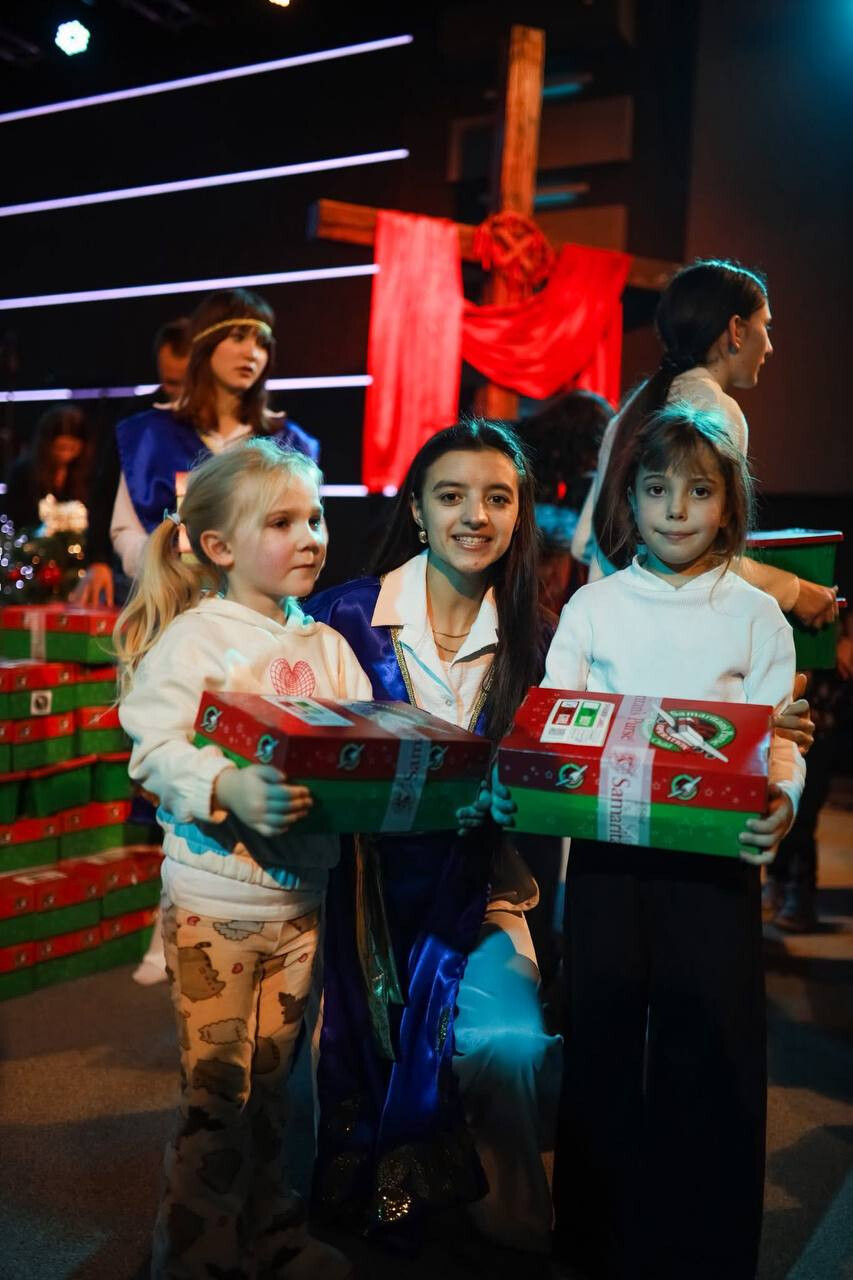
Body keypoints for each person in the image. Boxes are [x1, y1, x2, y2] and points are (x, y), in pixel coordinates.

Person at [495, 404, 805, 1279]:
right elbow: (558, 720)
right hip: (607, 858)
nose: (675, 509)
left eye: (698, 492)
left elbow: (779, 740)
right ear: (627, 497)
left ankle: (703, 1248)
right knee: (599, 1034)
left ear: (728, 504)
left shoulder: (756, 615)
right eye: (656, 488)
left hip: (715, 865)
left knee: (709, 1042)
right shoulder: (593, 606)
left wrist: (782, 800)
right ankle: (592, 1241)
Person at [115, 438, 371, 1280]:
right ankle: (195, 1257)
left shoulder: (329, 647)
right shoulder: (196, 640)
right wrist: (226, 786)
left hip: (301, 904)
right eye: (283, 522)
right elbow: (153, 748)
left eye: (316, 519)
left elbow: (358, 749)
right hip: (216, 905)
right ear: (218, 547)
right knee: (217, 1101)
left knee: (276, 1092)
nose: (310, 538)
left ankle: (271, 1236)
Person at [308, 420, 562, 1261]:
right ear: (417, 510)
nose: (474, 516)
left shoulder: (541, 639)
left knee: (509, 1047)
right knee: (288, 1058)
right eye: (450, 496)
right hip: (345, 902)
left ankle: (506, 1213)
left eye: (497, 498)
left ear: (519, 513)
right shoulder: (340, 617)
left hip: (477, 893)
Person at [572, 258, 838, 630]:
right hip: (670, 629)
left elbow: (583, 542)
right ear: (736, 330)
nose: (770, 347)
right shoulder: (713, 410)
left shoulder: (631, 408)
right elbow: (699, 554)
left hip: (609, 623)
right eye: (765, 326)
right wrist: (792, 590)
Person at [74, 291, 318, 607]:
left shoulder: (290, 444)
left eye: (261, 344)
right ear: (205, 342)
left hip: (262, 618)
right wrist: (168, 568)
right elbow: (125, 532)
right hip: (172, 611)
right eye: (238, 337)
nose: (252, 353)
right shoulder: (150, 434)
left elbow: (309, 535)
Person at [4, 406, 91, 531]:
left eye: (72, 448)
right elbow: (15, 518)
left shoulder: (88, 473)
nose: (65, 454)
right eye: (60, 448)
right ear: (46, 444)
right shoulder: (24, 472)